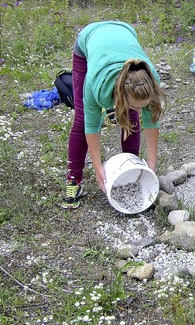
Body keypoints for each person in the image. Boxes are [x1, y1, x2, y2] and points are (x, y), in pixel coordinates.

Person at [62, 21, 164, 210]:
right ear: (120, 95)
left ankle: (131, 169)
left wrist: (151, 163)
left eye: (143, 107)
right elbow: (91, 127)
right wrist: (98, 167)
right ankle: (73, 181)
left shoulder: (149, 82)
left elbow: (152, 122)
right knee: (81, 117)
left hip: (124, 31)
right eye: (136, 105)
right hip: (89, 41)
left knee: (130, 117)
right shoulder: (96, 87)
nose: (142, 111)